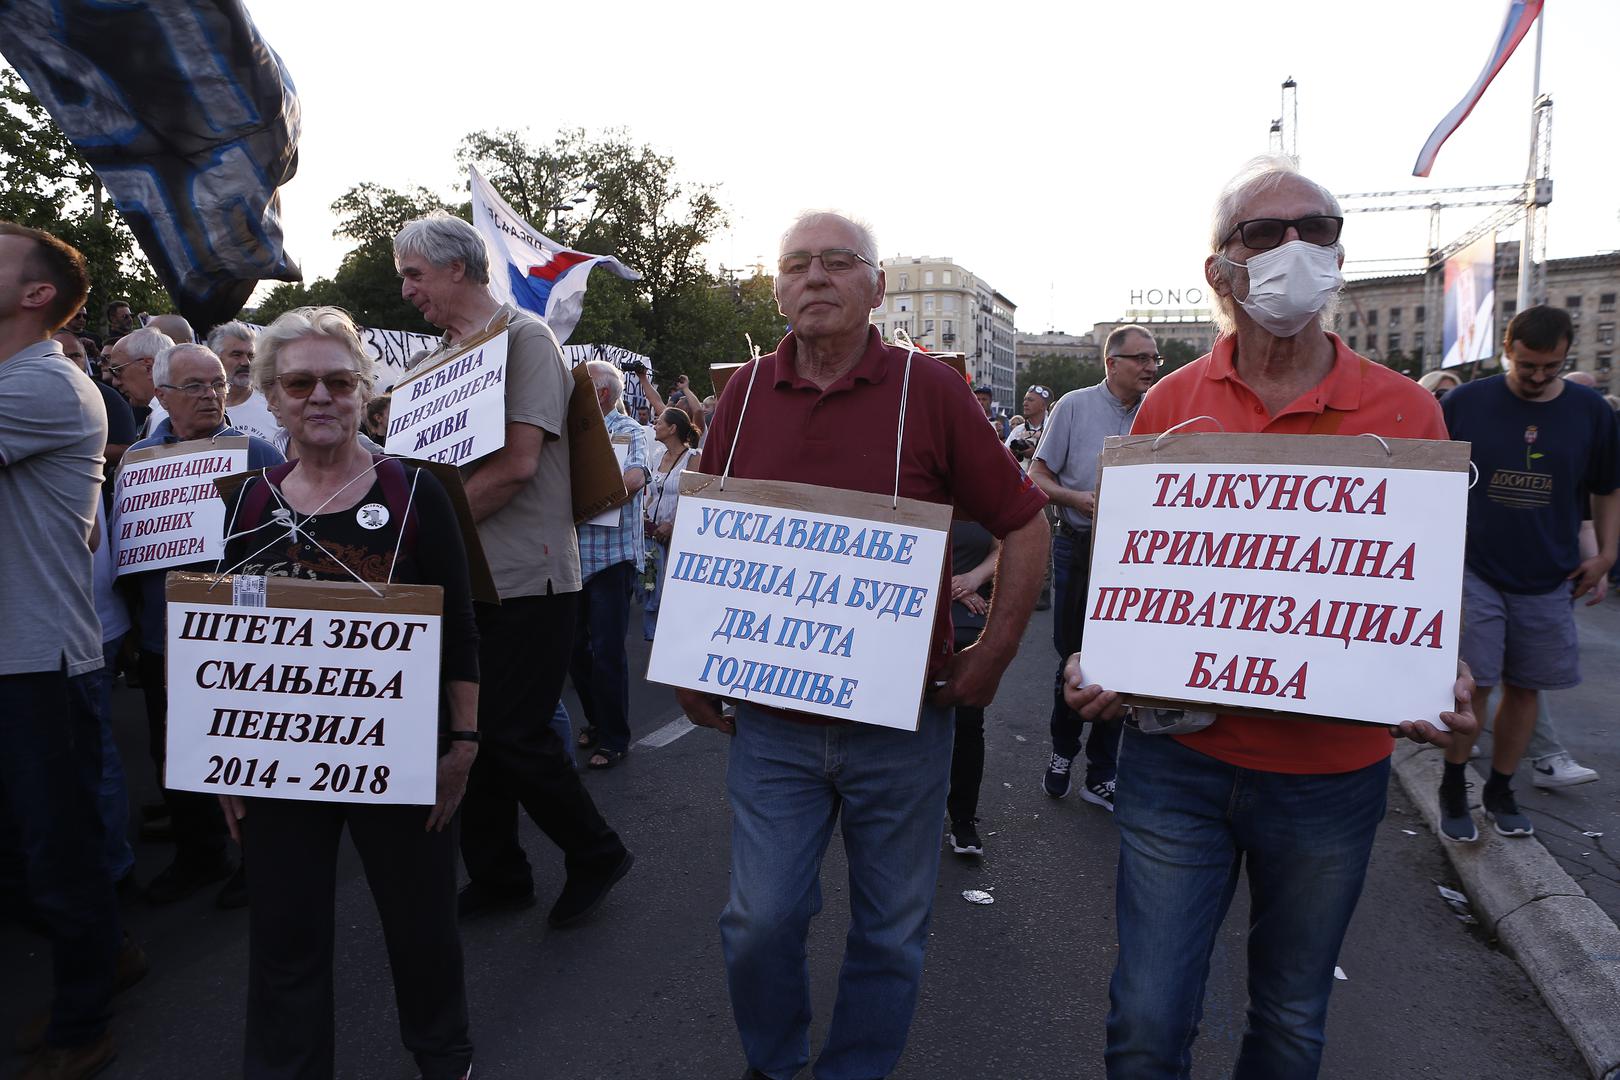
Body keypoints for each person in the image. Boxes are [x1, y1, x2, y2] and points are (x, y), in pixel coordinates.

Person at [1063, 157, 1478, 1079]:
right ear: (1221, 269)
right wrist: (1099, 658)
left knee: (1290, 1022)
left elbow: (1415, 592)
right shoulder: (1171, 406)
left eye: (1317, 229)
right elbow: (1141, 581)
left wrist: (1437, 672)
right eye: (1267, 231)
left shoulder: (1406, 412)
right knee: (1145, 1021)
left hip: (1330, 780)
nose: (1297, 246)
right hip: (1180, 765)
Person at [678, 210, 1049, 1080]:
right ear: (776, 286)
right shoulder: (744, 392)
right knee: (758, 920)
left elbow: (1024, 524)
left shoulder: (934, 392)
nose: (815, 277)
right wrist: (684, 654)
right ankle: (775, 1063)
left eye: (838, 262)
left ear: (876, 287)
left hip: (901, 724)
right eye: (797, 263)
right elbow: (706, 519)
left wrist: (993, 652)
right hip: (772, 722)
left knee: (889, 929)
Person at [217, 306, 477, 1080]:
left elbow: (459, 626)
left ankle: (443, 1055)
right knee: (285, 936)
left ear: (364, 391)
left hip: (402, 758)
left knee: (422, 925)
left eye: (338, 380)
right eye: (300, 382)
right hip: (277, 763)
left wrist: (462, 746)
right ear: (271, 394)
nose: (320, 397)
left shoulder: (416, 491)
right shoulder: (246, 501)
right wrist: (223, 763)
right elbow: (226, 641)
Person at [394, 211, 632, 928]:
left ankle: (596, 852)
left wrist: (425, 534)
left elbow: (518, 466)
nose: (407, 292)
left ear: (458, 269)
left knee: (513, 732)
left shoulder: (525, 340)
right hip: (460, 577)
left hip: (527, 575)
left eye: (414, 275)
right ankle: (500, 874)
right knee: (468, 735)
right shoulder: (428, 365)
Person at [0, 220, 129, 1080]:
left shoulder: (42, 383)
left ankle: (84, 1023)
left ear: (36, 293)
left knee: (56, 852)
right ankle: (106, 953)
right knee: (28, 855)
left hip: (37, 663)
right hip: (19, 658)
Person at [1435, 306, 1619, 840]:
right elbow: (1426, 475)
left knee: (1528, 686)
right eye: (1527, 365)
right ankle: (1453, 785)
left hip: (1550, 574)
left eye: (1552, 367)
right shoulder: (1466, 403)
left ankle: (1501, 787)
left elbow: (1607, 488)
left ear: (1566, 354)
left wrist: (1607, 555)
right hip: (1474, 567)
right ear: (1507, 348)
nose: (1539, 377)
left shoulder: (1591, 411)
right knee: (1476, 684)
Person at [115, 342, 283, 907]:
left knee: (245, 751)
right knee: (177, 754)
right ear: (161, 395)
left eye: (216, 384)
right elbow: (128, 551)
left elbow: (285, 545)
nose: (211, 395)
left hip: (238, 634)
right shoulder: (140, 460)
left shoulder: (254, 452)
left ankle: (261, 859)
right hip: (165, 637)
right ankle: (199, 854)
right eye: (194, 387)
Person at [1031, 327, 1160, 810]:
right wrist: (1077, 499)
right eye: (1140, 359)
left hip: (1137, 557)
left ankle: (1102, 773)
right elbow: (1036, 476)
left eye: (1155, 359)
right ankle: (1063, 752)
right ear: (1111, 363)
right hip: (1079, 546)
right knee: (1074, 654)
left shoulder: (1161, 409)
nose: (1150, 367)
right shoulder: (1074, 406)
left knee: (1121, 657)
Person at [570, 360, 650, 769]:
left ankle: (615, 737)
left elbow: (635, 479)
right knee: (573, 651)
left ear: (600, 394)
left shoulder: (629, 431)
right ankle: (596, 719)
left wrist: (582, 507)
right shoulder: (569, 430)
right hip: (572, 560)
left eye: (578, 386)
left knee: (606, 652)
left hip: (610, 560)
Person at [944, 519, 1000, 856]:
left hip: (968, 609)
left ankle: (963, 818)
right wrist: (947, 589)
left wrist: (972, 579)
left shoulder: (983, 485)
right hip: (915, 600)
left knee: (967, 718)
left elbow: (1007, 544)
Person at [641, 405, 699, 641]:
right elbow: (654, 492)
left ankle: (670, 638)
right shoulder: (657, 456)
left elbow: (693, 497)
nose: (655, 425)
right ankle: (650, 633)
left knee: (670, 588)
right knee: (648, 583)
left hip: (676, 535)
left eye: (660, 422)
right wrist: (645, 513)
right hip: (653, 535)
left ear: (672, 428)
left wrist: (673, 524)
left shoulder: (693, 458)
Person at [55, 330, 136, 477]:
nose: (68, 361)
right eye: (59, 356)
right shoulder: (27, 398)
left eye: (75, 356)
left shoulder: (107, 397)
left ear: (85, 360)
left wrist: (70, 452)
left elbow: (127, 449)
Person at [207, 320, 280, 443]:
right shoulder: (203, 409)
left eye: (251, 356)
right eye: (236, 355)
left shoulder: (273, 406)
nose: (246, 363)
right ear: (215, 358)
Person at [102, 325, 174, 433]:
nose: (115, 382)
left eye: (117, 371)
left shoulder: (167, 417)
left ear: (149, 368)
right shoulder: (170, 412)